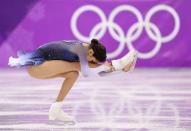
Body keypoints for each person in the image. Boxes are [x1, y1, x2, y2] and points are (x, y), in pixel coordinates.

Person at [8, 39, 137, 124]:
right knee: (76, 67)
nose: (92, 63)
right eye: (93, 61)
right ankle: (119, 64)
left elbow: (96, 71)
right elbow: (87, 72)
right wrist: (115, 66)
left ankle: (56, 109)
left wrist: (121, 71)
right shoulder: (79, 50)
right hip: (37, 67)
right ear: (91, 53)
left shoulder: (86, 50)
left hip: (44, 67)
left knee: (73, 74)